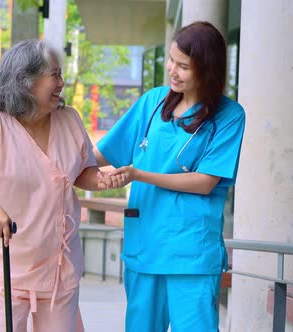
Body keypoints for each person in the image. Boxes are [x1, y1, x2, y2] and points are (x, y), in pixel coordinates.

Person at [0, 39, 119, 332]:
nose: (62, 82)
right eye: (54, 75)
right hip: (5, 263)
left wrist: (103, 178)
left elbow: (81, 173)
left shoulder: (69, 120)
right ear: (26, 81)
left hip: (58, 263)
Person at [94, 21, 246, 332]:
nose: (173, 71)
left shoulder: (229, 116)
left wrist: (139, 174)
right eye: (172, 61)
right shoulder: (152, 103)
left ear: (208, 69)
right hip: (145, 245)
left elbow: (205, 182)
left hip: (190, 252)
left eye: (184, 66)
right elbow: (100, 154)